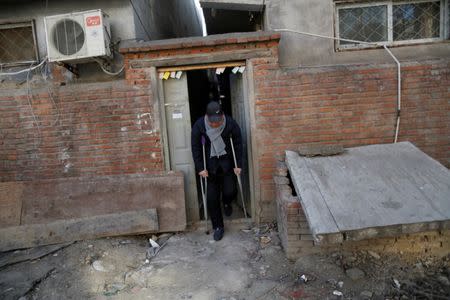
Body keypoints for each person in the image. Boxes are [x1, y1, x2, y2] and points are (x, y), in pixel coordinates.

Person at [191, 101, 243, 241]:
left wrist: (238, 164)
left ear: (222, 116)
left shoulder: (230, 124)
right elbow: (196, 148)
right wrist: (200, 168)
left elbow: (238, 144)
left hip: (227, 164)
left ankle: (226, 202)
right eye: (213, 122)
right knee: (212, 199)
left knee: (230, 190)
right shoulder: (199, 125)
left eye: (218, 121)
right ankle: (218, 227)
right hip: (210, 166)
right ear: (207, 117)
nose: (216, 124)